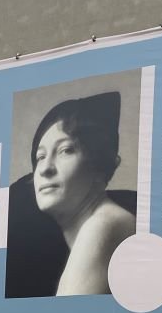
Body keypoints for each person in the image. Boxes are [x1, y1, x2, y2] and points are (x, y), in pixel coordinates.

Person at [14, 91, 135, 296]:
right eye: (40, 156)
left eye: (66, 150)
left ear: (99, 164)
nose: (45, 169)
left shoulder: (105, 225)